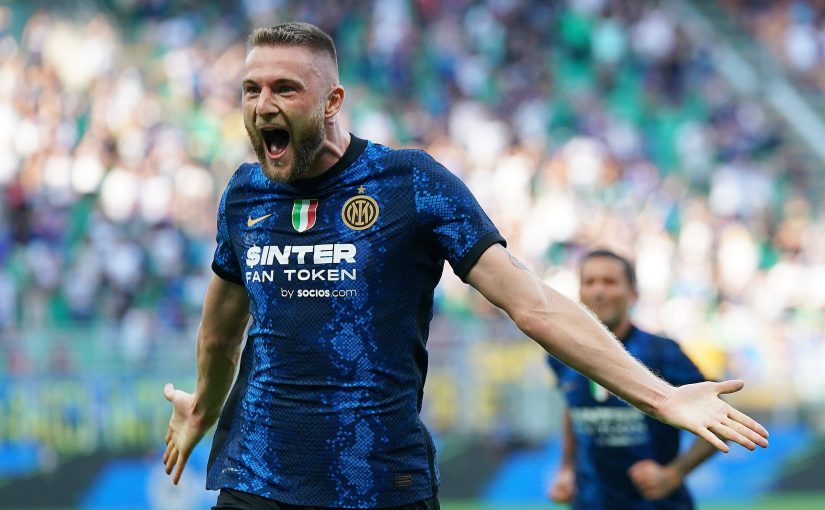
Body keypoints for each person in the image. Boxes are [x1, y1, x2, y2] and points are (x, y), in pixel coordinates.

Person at [162, 22, 768, 510]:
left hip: (378, 484)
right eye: (251, 90)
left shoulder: (410, 184)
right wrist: (204, 407)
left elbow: (532, 304)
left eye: (285, 89)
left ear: (332, 101)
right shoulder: (244, 194)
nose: (263, 105)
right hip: (256, 478)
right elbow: (219, 334)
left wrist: (661, 398)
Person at [547, 249, 719, 509]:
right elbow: (572, 410)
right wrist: (566, 469)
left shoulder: (662, 353)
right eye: (589, 282)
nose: (598, 291)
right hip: (590, 502)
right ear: (580, 293)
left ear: (633, 293)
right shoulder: (562, 353)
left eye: (609, 281)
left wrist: (673, 474)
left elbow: (718, 420)